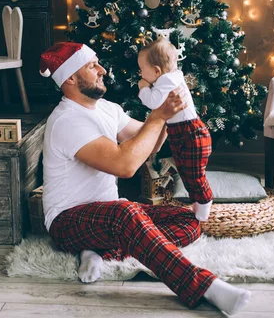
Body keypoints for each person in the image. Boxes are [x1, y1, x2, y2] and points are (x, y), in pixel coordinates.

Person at [38, 42, 251, 316]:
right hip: (67, 221)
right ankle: (206, 287)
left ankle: (99, 252)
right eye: (92, 66)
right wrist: (158, 114)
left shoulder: (107, 109)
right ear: (69, 78)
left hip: (109, 216)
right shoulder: (67, 120)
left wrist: (170, 116)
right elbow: (125, 165)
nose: (102, 70)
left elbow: (149, 143)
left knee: (189, 221)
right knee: (125, 212)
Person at [137, 37, 213, 221]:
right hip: (182, 134)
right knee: (186, 173)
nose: (140, 74)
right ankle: (198, 205)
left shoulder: (167, 80)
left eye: (142, 70)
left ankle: (203, 211)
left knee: (194, 175)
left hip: (191, 134)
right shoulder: (170, 78)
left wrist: (143, 88)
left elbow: (153, 102)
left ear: (156, 71)